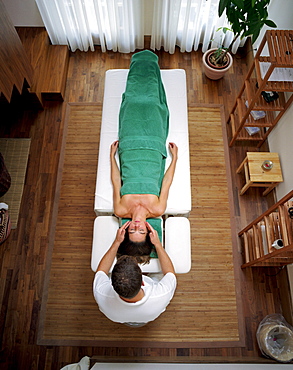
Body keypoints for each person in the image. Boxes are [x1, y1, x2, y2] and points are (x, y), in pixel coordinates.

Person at [110, 49, 178, 257]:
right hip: (152, 148)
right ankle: (152, 65)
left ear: (125, 229)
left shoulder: (121, 210)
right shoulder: (157, 209)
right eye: (141, 231)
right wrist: (175, 159)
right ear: (150, 230)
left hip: (129, 148)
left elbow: (116, 181)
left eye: (132, 230)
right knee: (152, 104)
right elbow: (166, 182)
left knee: (132, 101)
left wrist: (112, 157)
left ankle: (137, 62)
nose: (137, 225)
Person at [93, 221, 177, 325]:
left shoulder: (101, 293)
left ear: (112, 284)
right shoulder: (161, 294)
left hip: (118, 316)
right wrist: (158, 244)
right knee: (160, 273)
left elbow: (101, 271)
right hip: (146, 316)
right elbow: (170, 273)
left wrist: (117, 242)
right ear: (143, 281)